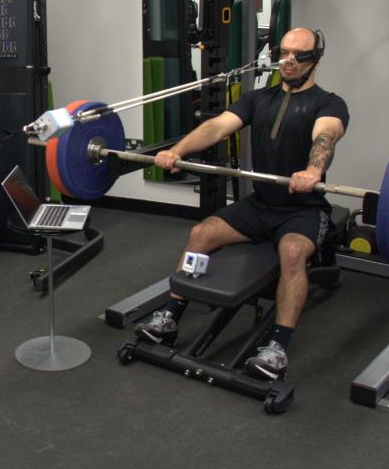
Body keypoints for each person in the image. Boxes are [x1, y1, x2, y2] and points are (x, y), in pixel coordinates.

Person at [134, 27, 348, 381]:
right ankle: (169, 317)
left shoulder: (328, 103)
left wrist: (313, 169)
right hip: (260, 204)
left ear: (316, 62)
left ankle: (277, 347)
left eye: (301, 55)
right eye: (285, 53)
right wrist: (176, 151)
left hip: (303, 208)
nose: (290, 60)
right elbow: (217, 127)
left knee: (293, 254)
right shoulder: (257, 99)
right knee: (201, 234)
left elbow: (325, 135)